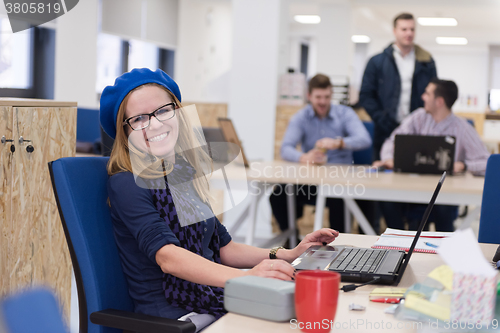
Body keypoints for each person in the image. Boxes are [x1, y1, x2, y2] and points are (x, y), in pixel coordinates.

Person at [99, 68, 339, 331]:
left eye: (163, 111)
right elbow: (168, 257)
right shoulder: (126, 182)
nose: (155, 124)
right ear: (126, 130)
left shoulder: (179, 173)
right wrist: (246, 277)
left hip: (209, 302)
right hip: (172, 319)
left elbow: (223, 247)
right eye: (140, 119)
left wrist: (286, 254)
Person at [373, 79, 490, 231]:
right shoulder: (418, 117)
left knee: (443, 205)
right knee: (387, 200)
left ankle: (442, 248)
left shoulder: (462, 128)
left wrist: (464, 165)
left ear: (439, 101)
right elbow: (392, 141)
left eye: (427, 93)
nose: (423, 97)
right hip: (411, 188)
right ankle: (400, 242)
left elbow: (488, 162)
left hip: (443, 192)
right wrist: (389, 159)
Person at [270, 74, 374, 235]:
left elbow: (364, 139)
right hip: (311, 180)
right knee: (278, 194)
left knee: (338, 197)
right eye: (318, 97)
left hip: (340, 179)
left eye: (326, 97)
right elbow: (285, 148)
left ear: (331, 95)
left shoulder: (345, 114)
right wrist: (304, 157)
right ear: (309, 96)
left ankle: (339, 246)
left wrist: (339, 143)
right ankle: (291, 239)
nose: (323, 102)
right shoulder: (301, 117)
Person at [359, 12, 437, 161]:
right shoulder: (377, 62)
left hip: (418, 131)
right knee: (382, 177)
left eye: (412, 29)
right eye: (404, 29)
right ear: (394, 31)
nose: (409, 33)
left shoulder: (427, 62)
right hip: (384, 130)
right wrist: (381, 118)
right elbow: (366, 95)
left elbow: (434, 94)